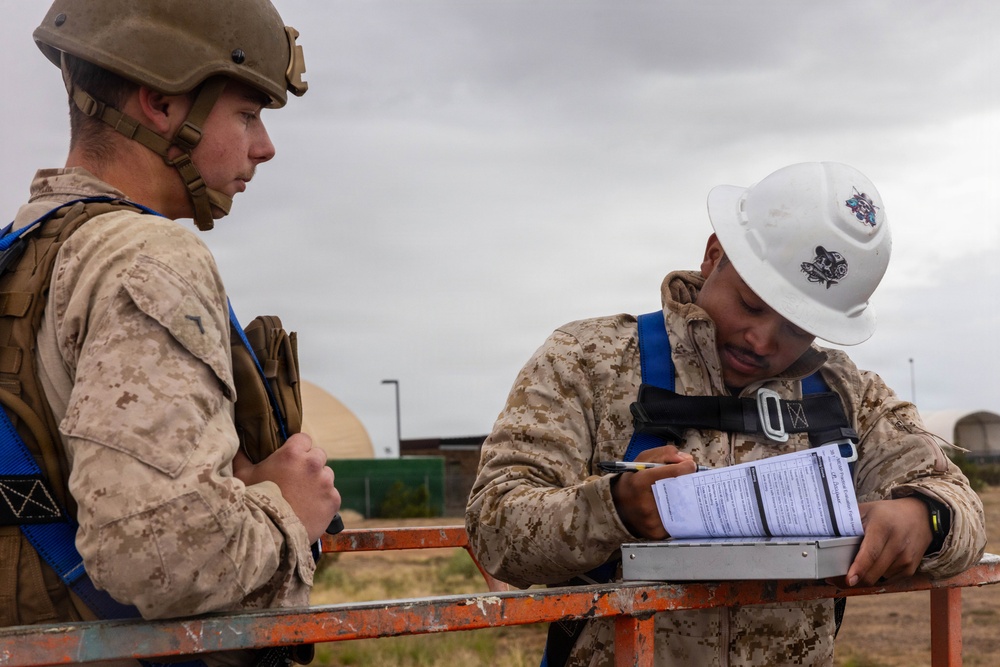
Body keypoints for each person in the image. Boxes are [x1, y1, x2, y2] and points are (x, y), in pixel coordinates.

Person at [465, 161, 987, 666]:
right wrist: (615, 509)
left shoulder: (846, 394)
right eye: (752, 304)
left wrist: (925, 517)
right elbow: (494, 524)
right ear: (715, 255)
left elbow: (960, 504)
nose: (763, 341)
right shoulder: (587, 361)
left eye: (797, 327)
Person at [1, 1, 340, 664]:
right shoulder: (146, 258)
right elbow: (159, 551)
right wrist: (289, 510)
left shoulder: (19, 258)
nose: (264, 146)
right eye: (246, 114)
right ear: (159, 103)